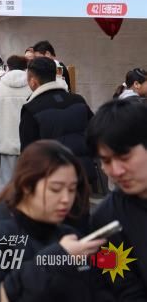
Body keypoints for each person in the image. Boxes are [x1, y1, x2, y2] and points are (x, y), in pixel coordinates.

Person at [0, 140, 101, 302]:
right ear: (27, 185)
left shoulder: (65, 232)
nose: (66, 199)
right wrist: (53, 260)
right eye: (55, 189)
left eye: (71, 189)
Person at [87, 99, 147, 299]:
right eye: (105, 160)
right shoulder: (105, 221)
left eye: (124, 157)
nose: (116, 171)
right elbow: (124, 289)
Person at [20, 57, 94, 186]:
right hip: (82, 172)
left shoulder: (31, 109)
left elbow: (28, 152)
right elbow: (94, 132)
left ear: (33, 81)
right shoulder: (78, 100)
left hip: (51, 178)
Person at [0, 55, 31, 190]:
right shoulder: (32, 85)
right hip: (28, 140)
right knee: (27, 181)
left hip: (6, 140)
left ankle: (6, 203)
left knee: (6, 182)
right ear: (25, 67)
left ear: (8, 66)